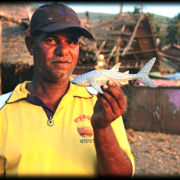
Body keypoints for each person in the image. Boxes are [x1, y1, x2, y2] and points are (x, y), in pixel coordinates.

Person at [0, 3, 135, 178]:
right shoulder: (3, 110)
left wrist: (102, 129)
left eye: (71, 41)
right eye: (51, 40)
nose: (63, 51)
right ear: (31, 45)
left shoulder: (100, 101)